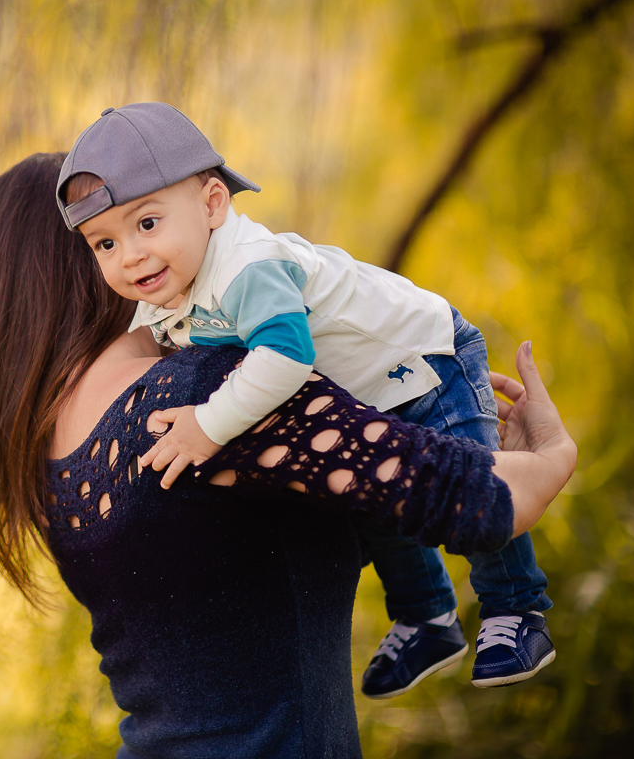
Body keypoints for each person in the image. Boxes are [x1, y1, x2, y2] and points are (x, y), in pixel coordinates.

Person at [0, 152, 576, 758]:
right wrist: (549, 450)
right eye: (111, 236)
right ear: (85, 263)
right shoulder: (212, 391)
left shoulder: (48, 454)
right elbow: (475, 502)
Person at [55, 102, 554, 696]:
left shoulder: (248, 268)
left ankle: (517, 612)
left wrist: (209, 425)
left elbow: (286, 356)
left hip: (423, 358)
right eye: (103, 244)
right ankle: (427, 618)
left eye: (145, 225)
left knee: (474, 481)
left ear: (213, 204)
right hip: (364, 389)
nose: (129, 255)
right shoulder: (167, 291)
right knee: (377, 504)